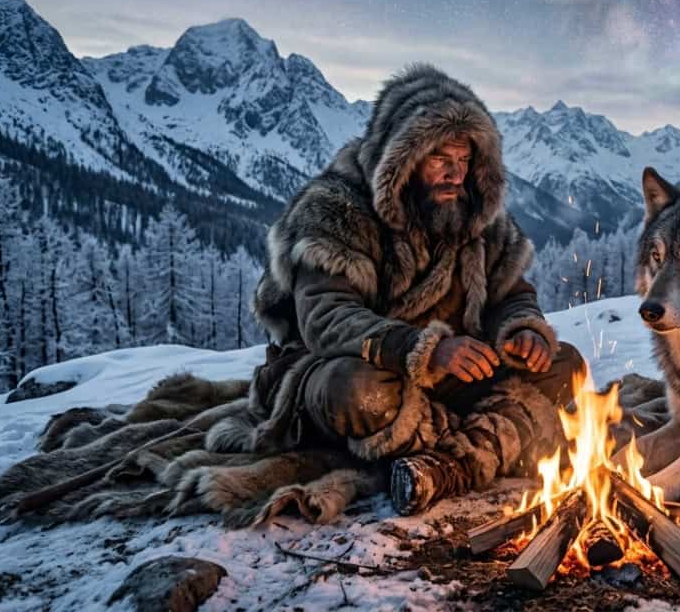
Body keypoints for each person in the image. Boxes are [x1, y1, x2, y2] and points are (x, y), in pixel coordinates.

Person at [248, 64, 584, 514]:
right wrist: (422, 348)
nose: (455, 175)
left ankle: (441, 461)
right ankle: (492, 439)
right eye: (440, 159)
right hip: (349, 369)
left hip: (450, 378)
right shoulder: (336, 211)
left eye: (464, 161)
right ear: (402, 158)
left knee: (565, 365)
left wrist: (521, 330)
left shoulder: (476, 217)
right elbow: (325, 320)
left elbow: (512, 294)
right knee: (358, 392)